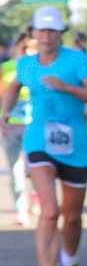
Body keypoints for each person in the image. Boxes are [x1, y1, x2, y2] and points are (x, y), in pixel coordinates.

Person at [1, 6, 87, 266]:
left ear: (60, 33)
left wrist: (66, 87)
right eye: (41, 30)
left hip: (75, 147)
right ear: (33, 33)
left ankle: (69, 261)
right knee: (50, 211)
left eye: (52, 30)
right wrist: (6, 111)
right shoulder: (25, 64)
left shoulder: (78, 61)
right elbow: (13, 87)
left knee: (72, 218)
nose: (46, 36)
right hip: (39, 142)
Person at [2, 32, 35, 226]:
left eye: (32, 49)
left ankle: (38, 197)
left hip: (36, 126)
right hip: (13, 125)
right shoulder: (7, 68)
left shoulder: (45, 68)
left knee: (39, 167)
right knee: (15, 168)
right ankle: (20, 207)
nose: (27, 53)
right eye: (24, 49)